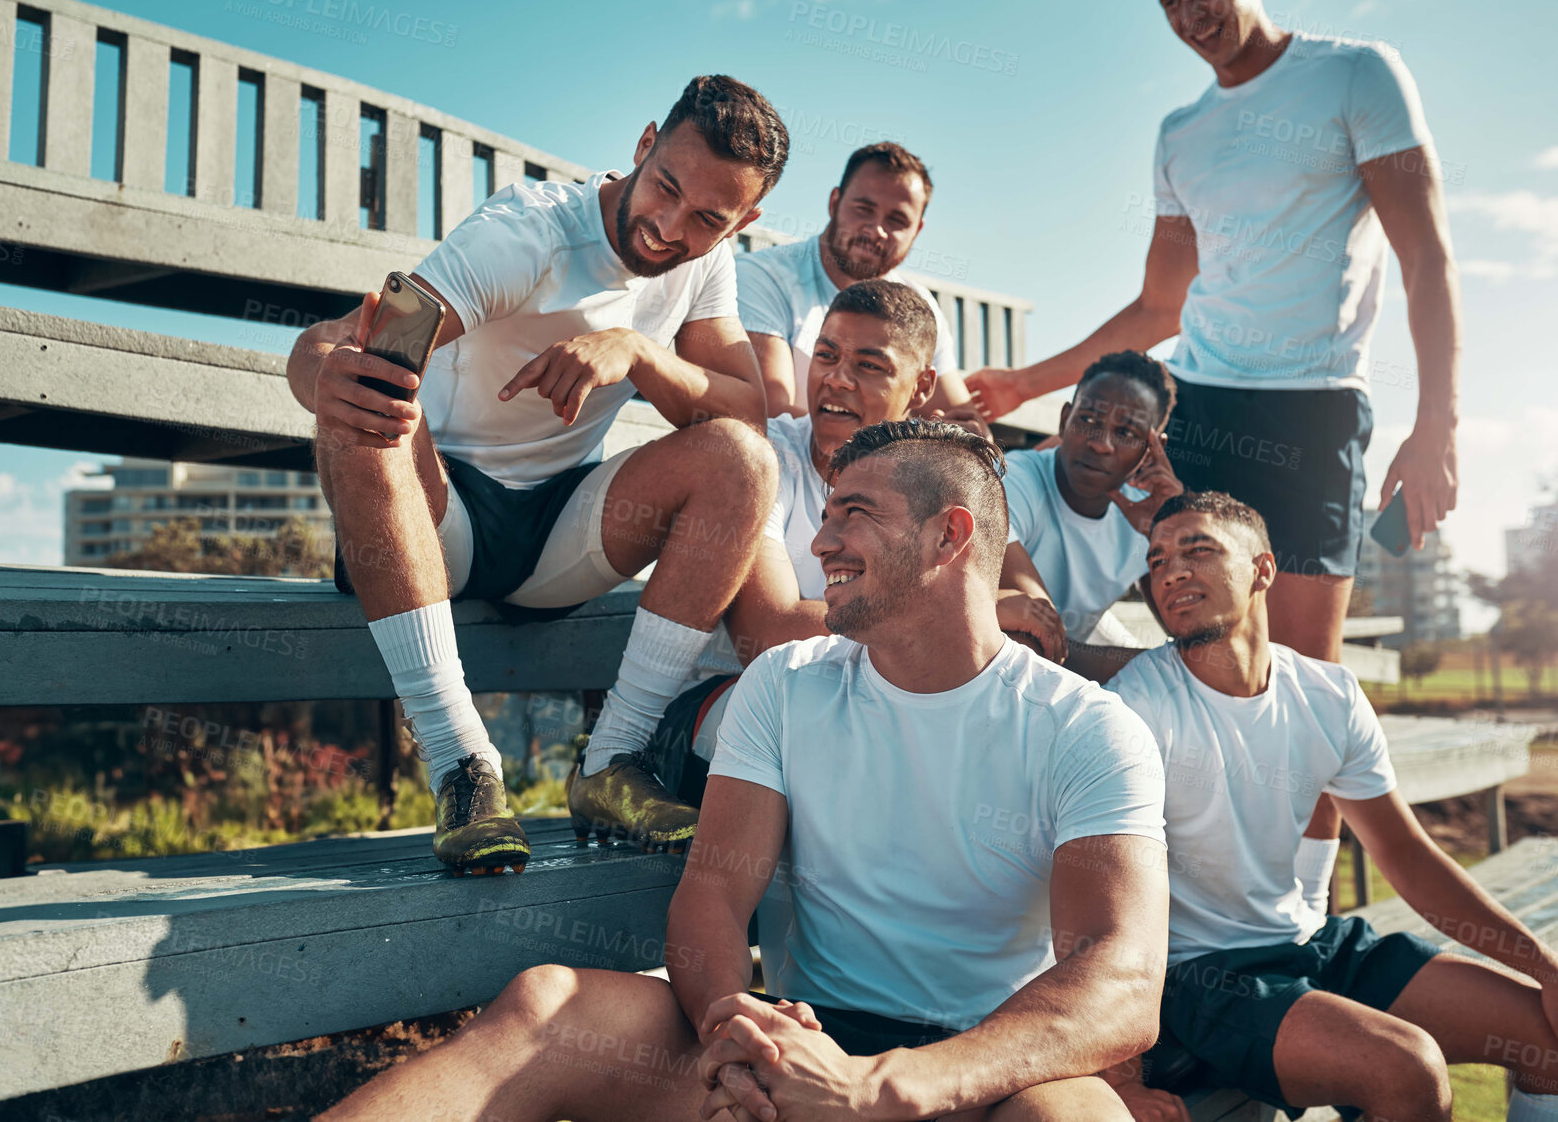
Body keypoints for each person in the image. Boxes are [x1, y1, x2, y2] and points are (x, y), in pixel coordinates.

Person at [316, 421, 1171, 1122]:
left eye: (854, 514)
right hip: (796, 1045)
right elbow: (714, 895)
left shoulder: (1087, 728)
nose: (819, 539)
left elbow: (1121, 980)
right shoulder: (787, 683)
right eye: (825, 510)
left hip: (976, 1070)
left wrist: (884, 1089)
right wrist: (737, 1030)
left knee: (1076, 1118)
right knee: (549, 1009)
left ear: (949, 535)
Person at [968, 0, 1463, 861]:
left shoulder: (1357, 75)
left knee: (1303, 681)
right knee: (1198, 663)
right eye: (1167, 2)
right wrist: (1022, 385)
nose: (1189, 16)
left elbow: (1426, 254)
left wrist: (1436, 426)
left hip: (1312, 416)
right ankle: (1182, 881)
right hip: (1194, 405)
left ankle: (1298, 908)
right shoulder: (1180, 133)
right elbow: (1159, 304)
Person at [287, 76, 788, 874]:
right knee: (372, 393)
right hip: (432, 511)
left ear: (743, 222)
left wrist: (640, 352)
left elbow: (748, 410)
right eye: (665, 186)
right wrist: (318, 375)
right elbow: (343, 343)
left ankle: (610, 761)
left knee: (740, 458)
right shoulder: (525, 233)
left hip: (553, 531)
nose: (668, 227)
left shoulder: (706, 262)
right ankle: (459, 764)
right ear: (642, 144)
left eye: (706, 218)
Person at [1105, 492, 1558, 1122]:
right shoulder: (1135, 706)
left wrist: (1544, 965)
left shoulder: (1329, 694)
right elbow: (1100, 895)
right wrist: (1118, 1077)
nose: (1171, 571)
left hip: (1312, 944)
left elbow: (1405, 855)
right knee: (1408, 1070)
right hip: (1203, 980)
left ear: (1263, 569)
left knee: (1546, 1036)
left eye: (1197, 549)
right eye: (1156, 561)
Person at [610, 281, 1068, 817]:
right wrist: (972, 609)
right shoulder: (764, 457)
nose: (836, 378)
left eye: (869, 366)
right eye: (826, 355)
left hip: (873, 697)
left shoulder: (932, 474)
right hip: (724, 707)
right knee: (829, 706)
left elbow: (1026, 607)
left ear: (921, 386)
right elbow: (769, 634)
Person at [736, 142, 975, 422]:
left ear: (917, 230)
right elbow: (771, 414)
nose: (876, 230)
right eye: (864, 209)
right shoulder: (762, 277)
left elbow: (966, 421)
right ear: (834, 202)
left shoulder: (920, 308)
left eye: (897, 220)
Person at [997, 350, 1181, 681]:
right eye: (1089, 420)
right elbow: (1039, 640)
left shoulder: (1146, 512)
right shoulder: (1013, 481)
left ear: (1152, 448)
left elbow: (1202, 632)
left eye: (1126, 432)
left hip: (1077, 660)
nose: (1101, 444)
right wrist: (1167, 667)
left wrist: (1174, 530)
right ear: (1064, 418)